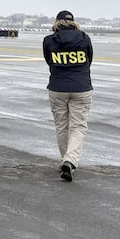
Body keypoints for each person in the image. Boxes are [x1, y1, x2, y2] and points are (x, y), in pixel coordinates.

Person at [43, 10, 94, 182]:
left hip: (57, 87)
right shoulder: (84, 38)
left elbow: (49, 61)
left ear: (56, 22)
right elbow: (90, 59)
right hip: (81, 87)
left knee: (62, 126)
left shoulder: (49, 40)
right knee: (78, 127)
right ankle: (70, 160)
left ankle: (65, 159)